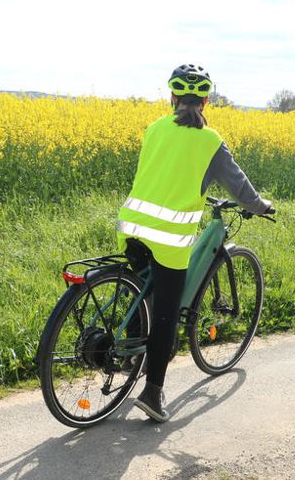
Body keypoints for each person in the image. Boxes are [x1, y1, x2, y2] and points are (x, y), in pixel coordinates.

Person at [117, 64, 273, 422]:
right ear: (206, 101)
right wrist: (260, 206)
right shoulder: (210, 141)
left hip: (131, 226)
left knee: (144, 290)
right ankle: (152, 394)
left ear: (172, 97)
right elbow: (239, 186)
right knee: (167, 316)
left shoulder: (155, 128)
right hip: (168, 239)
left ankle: (130, 354)